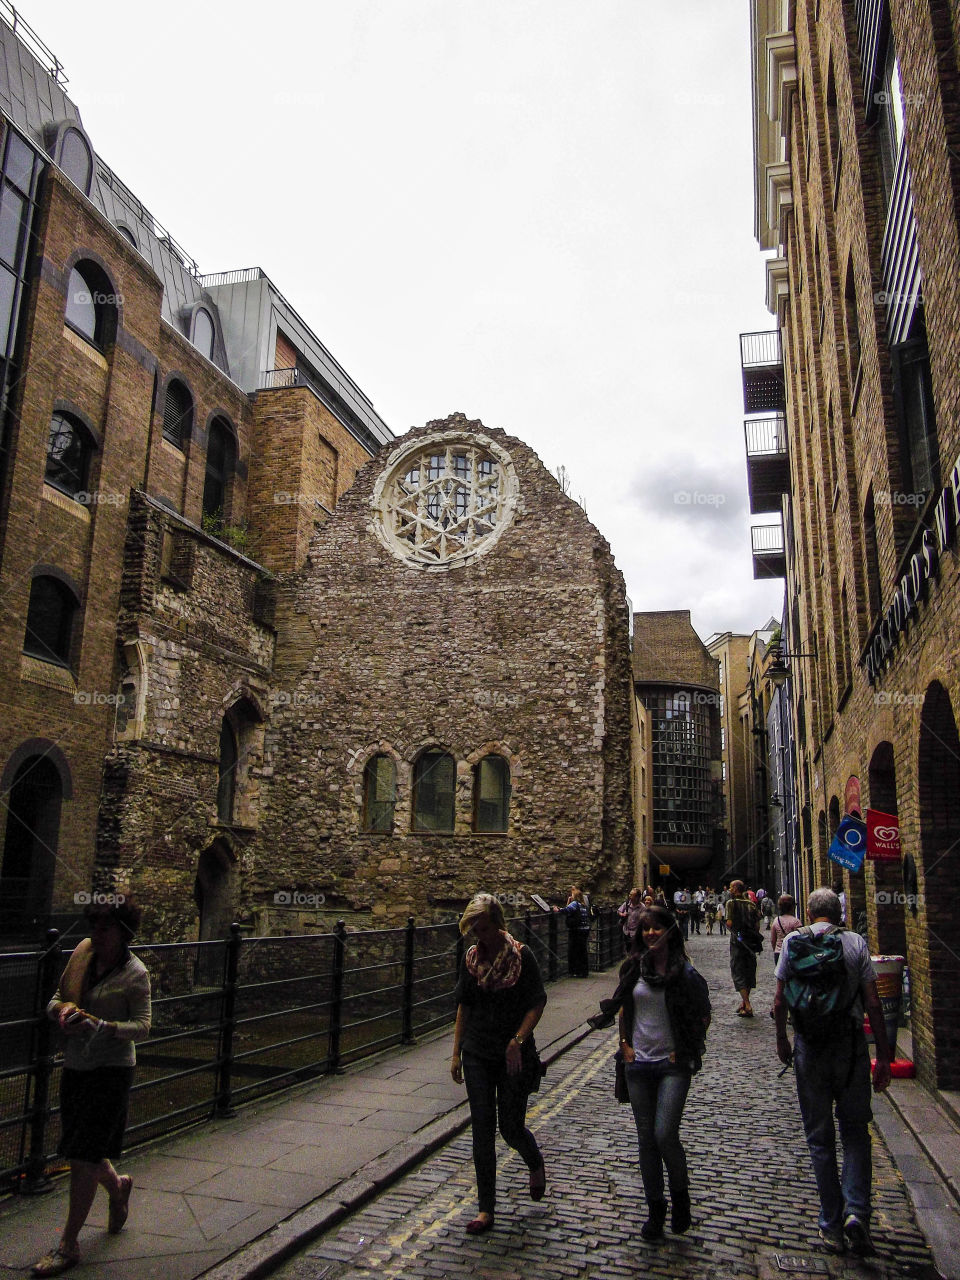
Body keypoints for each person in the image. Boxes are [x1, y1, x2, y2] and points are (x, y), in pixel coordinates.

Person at [32, 896, 151, 1277]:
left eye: (105, 928)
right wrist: (63, 1012)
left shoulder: (136, 974)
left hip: (112, 1070)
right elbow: (56, 999)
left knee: (82, 1155)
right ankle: (118, 1188)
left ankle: (68, 1244)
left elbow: (144, 1026)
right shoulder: (82, 957)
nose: (96, 935)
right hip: (77, 1065)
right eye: (93, 927)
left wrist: (105, 1027)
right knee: (80, 1146)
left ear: (123, 933)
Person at [774, 888, 891, 1256]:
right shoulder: (855, 943)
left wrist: (782, 1040)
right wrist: (884, 1054)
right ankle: (857, 1212)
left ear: (809, 912)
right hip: (850, 1045)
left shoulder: (794, 941)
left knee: (820, 1138)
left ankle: (831, 1223)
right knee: (856, 1131)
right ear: (838, 913)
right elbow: (873, 1001)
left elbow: (778, 1001)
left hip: (810, 1047)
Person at [597, 906, 711, 1241]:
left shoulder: (686, 974)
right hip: (638, 1064)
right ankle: (655, 1209)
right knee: (646, 1140)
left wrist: (686, 1047)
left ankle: (680, 1197)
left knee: (664, 1134)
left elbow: (703, 1016)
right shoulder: (633, 968)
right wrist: (624, 1043)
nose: (650, 934)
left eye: (657, 928)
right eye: (645, 929)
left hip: (673, 1065)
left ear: (670, 931)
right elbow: (623, 1008)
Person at [451, 893, 547, 1235]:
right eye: (474, 928)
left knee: (509, 1127)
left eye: (484, 927)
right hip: (477, 1050)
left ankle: (534, 1161)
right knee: (481, 1130)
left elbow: (537, 1001)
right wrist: (456, 1052)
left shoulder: (522, 956)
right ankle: (485, 1209)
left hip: (512, 1053)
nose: (479, 935)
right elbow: (464, 1005)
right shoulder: (472, 957)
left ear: (498, 924)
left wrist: (517, 1040)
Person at [725, 879, 761, 1017]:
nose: (729, 890)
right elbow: (757, 925)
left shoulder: (731, 903)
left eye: (730, 887)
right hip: (751, 941)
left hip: (737, 941)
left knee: (738, 970)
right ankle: (744, 1003)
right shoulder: (751, 904)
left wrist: (732, 928)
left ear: (735, 889)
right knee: (749, 969)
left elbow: (729, 923)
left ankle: (747, 1004)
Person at [556, 887, 591, 977]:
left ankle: (575, 971)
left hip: (577, 930)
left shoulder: (575, 904)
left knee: (574, 950)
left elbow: (566, 910)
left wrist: (557, 909)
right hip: (585, 929)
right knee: (582, 951)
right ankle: (583, 971)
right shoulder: (583, 904)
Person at [770, 893, 802, 964]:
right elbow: (800, 940)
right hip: (792, 954)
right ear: (792, 907)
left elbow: (773, 940)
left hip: (779, 952)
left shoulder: (776, 920)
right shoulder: (796, 922)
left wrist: (776, 949)